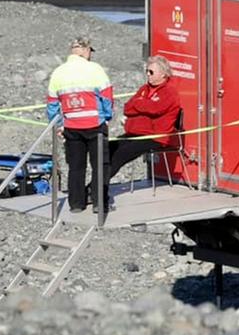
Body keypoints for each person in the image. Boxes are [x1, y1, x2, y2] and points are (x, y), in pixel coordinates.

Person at [45, 36, 113, 213]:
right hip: (94, 124)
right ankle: (99, 203)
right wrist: (107, 116)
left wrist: (59, 124)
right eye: (90, 51)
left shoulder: (59, 72)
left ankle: (76, 203)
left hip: (72, 126)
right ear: (85, 50)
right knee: (100, 165)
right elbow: (106, 96)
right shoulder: (95, 69)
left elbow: (52, 104)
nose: (90, 54)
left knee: (76, 166)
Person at [100, 57, 182, 193]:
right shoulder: (144, 89)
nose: (148, 75)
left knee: (121, 154)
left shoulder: (169, 92)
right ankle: (98, 185)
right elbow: (127, 107)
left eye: (151, 72)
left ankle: (96, 189)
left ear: (163, 74)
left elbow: (156, 108)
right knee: (108, 147)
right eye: (147, 71)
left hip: (154, 136)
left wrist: (138, 104)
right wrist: (143, 106)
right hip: (135, 133)